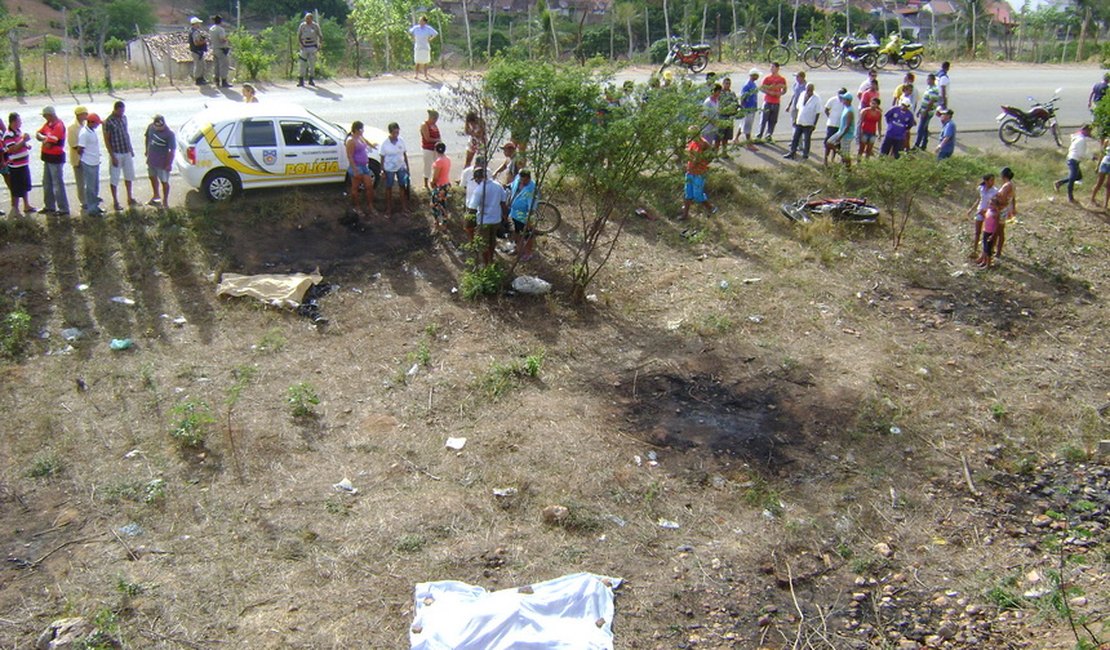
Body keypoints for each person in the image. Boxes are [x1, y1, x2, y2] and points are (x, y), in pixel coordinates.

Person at [469, 166, 508, 266]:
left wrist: (470, 223)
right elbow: (503, 204)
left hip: (484, 221)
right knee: (492, 242)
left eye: (476, 180)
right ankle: (491, 261)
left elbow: (472, 208)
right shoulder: (497, 185)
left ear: (478, 178)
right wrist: (505, 217)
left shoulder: (479, 189)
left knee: (483, 244)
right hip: (496, 220)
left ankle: (486, 265)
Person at [35, 106, 70, 216]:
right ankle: (49, 206)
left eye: (45, 115)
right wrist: (45, 138)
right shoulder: (48, 124)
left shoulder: (58, 126)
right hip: (47, 158)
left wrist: (44, 139)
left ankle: (63, 208)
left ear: (50, 115)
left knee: (57, 184)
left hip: (55, 159)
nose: (44, 118)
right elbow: (38, 134)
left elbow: (49, 145)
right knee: (46, 183)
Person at [103, 100, 137, 210]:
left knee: (129, 176)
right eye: (120, 111)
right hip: (116, 152)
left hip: (126, 150)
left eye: (123, 111)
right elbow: (107, 140)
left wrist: (130, 149)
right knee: (114, 178)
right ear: (115, 109)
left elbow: (126, 133)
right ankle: (115, 201)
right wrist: (112, 156)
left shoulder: (124, 118)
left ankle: (129, 197)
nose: (122, 113)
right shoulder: (108, 122)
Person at [1054, 124, 1098, 203]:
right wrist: (1092, 157)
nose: (1090, 133)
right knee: (1072, 177)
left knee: (1078, 177)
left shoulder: (1078, 138)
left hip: (1073, 159)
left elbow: (1084, 150)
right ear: (1086, 130)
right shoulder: (1081, 140)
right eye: (1089, 131)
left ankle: (1059, 183)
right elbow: (1082, 153)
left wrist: (1092, 156)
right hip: (1073, 160)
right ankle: (1070, 197)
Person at [3, 113, 36, 217]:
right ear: (14, 122)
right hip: (15, 166)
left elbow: (20, 144)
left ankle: (26, 205)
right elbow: (12, 149)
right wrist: (24, 141)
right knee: (16, 188)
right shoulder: (8, 135)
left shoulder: (18, 132)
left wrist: (26, 145)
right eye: (19, 121)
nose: (21, 122)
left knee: (25, 185)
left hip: (23, 164)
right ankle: (15, 209)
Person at [681, 130, 716, 220]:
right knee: (688, 193)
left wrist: (703, 163)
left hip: (699, 172)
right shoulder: (691, 142)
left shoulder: (704, 143)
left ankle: (711, 208)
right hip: (690, 171)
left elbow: (711, 155)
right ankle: (685, 215)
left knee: (697, 195)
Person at [144, 115, 175, 208]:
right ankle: (156, 196)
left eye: (161, 127)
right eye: (157, 127)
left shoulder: (169, 134)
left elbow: (172, 150)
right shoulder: (150, 127)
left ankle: (165, 200)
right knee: (152, 177)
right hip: (152, 159)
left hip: (163, 162)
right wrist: (146, 150)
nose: (159, 129)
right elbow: (147, 137)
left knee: (164, 181)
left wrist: (169, 164)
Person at [346, 121, 376, 217]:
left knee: (369, 186)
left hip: (364, 165)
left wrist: (372, 145)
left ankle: (370, 206)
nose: (363, 131)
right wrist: (355, 169)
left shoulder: (360, 137)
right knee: (355, 188)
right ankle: (357, 207)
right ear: (356, 130)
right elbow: (349, 156)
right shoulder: (351, 141)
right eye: (361, 129)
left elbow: (366, 142)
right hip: (357, 166)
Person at [379, 122, 410, 216]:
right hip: (389, 168)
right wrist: (382, 170)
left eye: (397, 132)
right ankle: (389, 209)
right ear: (390, 132)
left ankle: (404, 208)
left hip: (400, 167)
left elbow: (404, 154)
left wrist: (407, 168)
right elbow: (382, 157)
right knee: (389, 187)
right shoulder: (385, 143)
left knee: (402, 186)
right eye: (394, 132)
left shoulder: (401, 140)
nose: (396, 135)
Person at [784, 83, 820, 160]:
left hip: (809, 123)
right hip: (800, 121)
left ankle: (805, 155)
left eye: (810, 90)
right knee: (795, 138)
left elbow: (818, 112)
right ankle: (792, 153)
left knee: (806, 140)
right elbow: (798, 107)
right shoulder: (802, 94)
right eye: (807, 90)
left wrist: (814, 124)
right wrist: (795, 119)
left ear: (813, 90)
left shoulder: (816, 99)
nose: (808, 92)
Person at [77, 113, 104, 216]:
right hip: (88, 162)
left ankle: (95, 206)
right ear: (91, 122)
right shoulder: (84, 133)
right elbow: (80, 149)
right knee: (90, 187)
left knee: (95, 186)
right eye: (96, 123)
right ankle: (91, 209)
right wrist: (86, 157)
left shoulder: (91, 131)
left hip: (95, 161)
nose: (97, 125)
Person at [508, 168, 537, 261]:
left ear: (529, 178)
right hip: (514, 213)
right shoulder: (517, 179)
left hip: (524, 215)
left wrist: (529, 220)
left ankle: (528, 253)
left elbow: (532, 207)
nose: (522, 182)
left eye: (525, 180)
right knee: (517, 232)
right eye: (521, 179)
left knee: (527, 234)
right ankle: (517, 249)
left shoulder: (532, 189)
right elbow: (513, 186)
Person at [968, 173, 997, 256]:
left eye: (993, 180)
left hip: (989, 213)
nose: (993, 182)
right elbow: (979, 199)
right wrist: (971, 209)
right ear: (986, 181)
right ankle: (975, 249)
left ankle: (988, 251)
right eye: (991, 180)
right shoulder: (981, 188)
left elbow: (995, 204)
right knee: (977, 231)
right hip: (980, 211)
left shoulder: (995, 191)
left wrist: (986, 211)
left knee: (988, 233)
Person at [756, 63, 787, 143]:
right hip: (767, 101)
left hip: (776, 102)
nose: (771, 68)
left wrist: (780, 93)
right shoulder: (767, 78)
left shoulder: (781, 79)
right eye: (771, 67)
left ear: (777, 68)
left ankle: (769, 135)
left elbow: (784, 89)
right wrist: (769, 92)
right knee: (763, 119)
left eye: (772, 67)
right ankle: (759, 135)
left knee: (773, 120)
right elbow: (761, 88)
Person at [827, 93, 856, 169]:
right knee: (829, 142)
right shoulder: (845, 108)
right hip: (841, 131)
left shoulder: (849, 111)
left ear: (848, 100)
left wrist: (840, 137)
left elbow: (847, 126)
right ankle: (843, 157)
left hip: (846, 135)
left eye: (844, 99)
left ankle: (848, 168)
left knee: (846, 154)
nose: (842, 100)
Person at [67, 106, 88, 210]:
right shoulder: (72, 127)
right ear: (79, 115)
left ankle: (88, 198)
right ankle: (83, 201)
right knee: (80, 181)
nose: (86, 116)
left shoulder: (84, 125)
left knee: (87, 180)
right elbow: (73, 144)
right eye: (85, 114)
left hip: (86, 157)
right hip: (78, 157)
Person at [735, 69, 760, 150]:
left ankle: (736, 138)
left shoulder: (753, 84)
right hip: (748, 108)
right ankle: (749, 143)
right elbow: (743, 97)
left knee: (743, 124)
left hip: (752, 108)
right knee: (747, 126)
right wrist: (743, 108)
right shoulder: (747, 85)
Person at [994, 167, 1017, 258]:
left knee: (999, 231)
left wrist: (995, 202)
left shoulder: (1007, 185)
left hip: (1001, 209)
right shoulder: (1012, 185)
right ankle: (997, 250)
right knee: (999, 231)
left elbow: (1002, 199)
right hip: (1005, 209)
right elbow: (1013, 198)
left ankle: (998, 251)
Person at [914, 74, 940, 150]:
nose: (927, 81)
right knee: (925, 128)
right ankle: (924, 144)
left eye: (928, 79)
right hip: (924, 110)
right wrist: (920, 110)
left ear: (932, 80)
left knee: (921, 129)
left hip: (928, 112)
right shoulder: (929, 88)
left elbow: (931, 102)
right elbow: (925, 100)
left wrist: (925, 111)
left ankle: (917, 145)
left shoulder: (934, 89)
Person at [297, 12, 323, 87]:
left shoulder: (315, 26)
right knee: (302, 64)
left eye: (308, 18)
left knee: (312, 64)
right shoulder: (302, 25)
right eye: (306, 18)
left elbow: (320, 36)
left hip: (312, 47)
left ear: (311, 19)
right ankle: (301, 80)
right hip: (304, 47)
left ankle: (311, 79)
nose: (307, 20)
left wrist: (319, 45)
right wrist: (300, 44)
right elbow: (299, 35)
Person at [823, 87, 847, 165]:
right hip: (831, 124)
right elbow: (826, 109)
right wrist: (830, 117)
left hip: (840, 126)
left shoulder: (846, 102)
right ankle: (825, 159)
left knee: (837, 143)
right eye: (839, 94)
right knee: (828, 142)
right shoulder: (832, 100)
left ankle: (833, 158)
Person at [430, 142, 451, 230]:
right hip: (446, 184)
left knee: (435, 205)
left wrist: (432, 183)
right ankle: (445, 222)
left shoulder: (438, 162)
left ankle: (438, 223)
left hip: (439, 186)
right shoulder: (447, 159)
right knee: (443, 204)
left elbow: (435, 177)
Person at [409, 15, 438, 80]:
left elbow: (435, 33)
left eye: (421, 20)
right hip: (418, 46)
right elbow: (409, 32)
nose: (420, 22)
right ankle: (416, 75)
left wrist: (430, 39)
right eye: (419, 20)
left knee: (425, 62)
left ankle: (425, 75)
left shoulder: (428, 28)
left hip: (425, 46)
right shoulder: (416, 28)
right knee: (417, 61)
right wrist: (413, 38)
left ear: (425, 22)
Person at [419, 109, 442, 191]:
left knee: (437, 166)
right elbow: (427, 138)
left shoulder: (434, 126)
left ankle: (435, 182)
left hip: (435, 149)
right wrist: (437, 140)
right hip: (427, 149)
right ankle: (425, 184)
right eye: (434, 119)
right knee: (427, 166)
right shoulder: (425, 125)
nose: (435, 120)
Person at [976, 195, 1001, 269]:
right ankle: (984, 261)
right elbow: (986, 218)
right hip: (985, 231)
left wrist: (993, 235)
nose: (991, 205)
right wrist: (982, 214)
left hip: (991, 233)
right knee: (985, 247)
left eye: (993, 204)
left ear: (996, 206)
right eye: (990, 204)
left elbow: (996, 226)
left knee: (989, 249)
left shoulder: (996, 214)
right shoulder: (988, 210)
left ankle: (988, 264)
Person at [717, 78, 738, 157]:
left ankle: (724, 152)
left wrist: (735, 110)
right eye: (726, 83)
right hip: (721, 117)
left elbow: (736, 104)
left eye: (729, 83)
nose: (727, 85)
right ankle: (715, 153)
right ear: (723, 84)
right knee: (719, 137)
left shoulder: (732, 93)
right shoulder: (720, 94)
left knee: (726, 137)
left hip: (729, 117)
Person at [209, 15, 231, 88]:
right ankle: (224, 81)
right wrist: (227, 39)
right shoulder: (220, 29)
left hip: (214, 48)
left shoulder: (211, 29)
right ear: (221, 21)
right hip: (221, 49)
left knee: (216, 66)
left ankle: (217, 81)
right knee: (224, 65)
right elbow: (222, 39)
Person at [187, 17, 208, 86]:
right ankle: (198, 80)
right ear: (195, 24)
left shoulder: (193, 31)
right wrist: (203, 41)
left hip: (196, 51)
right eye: (198, 23)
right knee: (199, 66)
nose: (199, 24)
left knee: (201, 65)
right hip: (197, 51)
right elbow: (196, 43)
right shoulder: (195, 32)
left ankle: (201, 79)